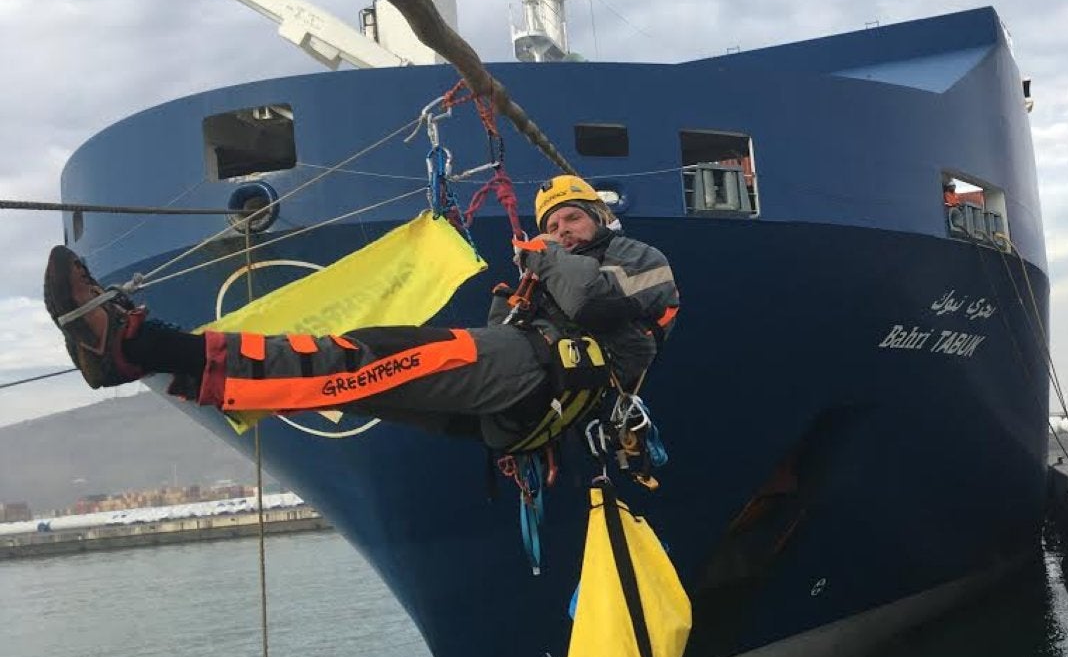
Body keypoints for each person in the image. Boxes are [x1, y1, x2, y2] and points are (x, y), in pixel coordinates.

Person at [42, 177, 679, 451]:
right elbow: (496, 330)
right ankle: (160, 367)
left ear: (599, 220)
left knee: (365, 356)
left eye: (573, 218)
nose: (562, 230)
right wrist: (525, 286)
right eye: (552, 223)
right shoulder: (545, 277)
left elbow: (593, 304)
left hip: (546, 377)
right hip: (511, 397)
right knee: (339, 387)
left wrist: (541, 258)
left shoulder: (633, 257)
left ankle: (144, 345)